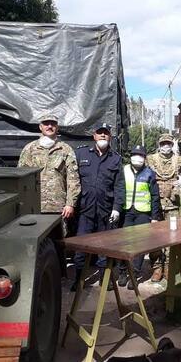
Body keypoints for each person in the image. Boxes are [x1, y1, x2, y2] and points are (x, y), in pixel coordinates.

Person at [71, 123, 125, 292]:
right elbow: (73, 181)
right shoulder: (81, 154)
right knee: (81, 247)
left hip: (105, 211)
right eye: (99, 133)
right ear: (94, 136)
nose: (102, 136)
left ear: (110, 137)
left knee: (104, 247)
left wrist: (117, 207)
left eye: (106, 134)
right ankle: (79, 280)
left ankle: (104, 279)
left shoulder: (115, 159)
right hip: (85, 211)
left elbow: (119, 186)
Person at [17, 113, 80, 234]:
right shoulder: (29, 149)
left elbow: (73, 179)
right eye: (46, 123)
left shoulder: (65, 149)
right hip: (34, 207)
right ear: (40, 127)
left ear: (57, 127)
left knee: (58, 245)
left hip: (58, 208)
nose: (49, 126)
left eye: (53, 124)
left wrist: (70, 204)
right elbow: (21, 178)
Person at [117, 145, 161, 290]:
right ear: (131, 156)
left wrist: (155, 216)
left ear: (144, 158)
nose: (138, 157)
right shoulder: (123, 170)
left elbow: (155, 196)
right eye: (135, 154)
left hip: (143, 213)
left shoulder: (149, 173)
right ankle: (122, 272)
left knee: (140, 245)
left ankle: (135, 274)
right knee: (124, 243)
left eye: (141, 155)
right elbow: (118, 190)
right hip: (127, 212)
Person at [146, 133, 181, 282]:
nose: (166, 146)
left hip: (172, 205)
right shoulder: (150, 159)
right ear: (159, 144)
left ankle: (169, 266)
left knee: (172, 236)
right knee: (155, 237)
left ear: (172, 145)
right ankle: (157, 267)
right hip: (156, 204)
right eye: (163, 143)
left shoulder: (179, 160)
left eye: (168, 144)